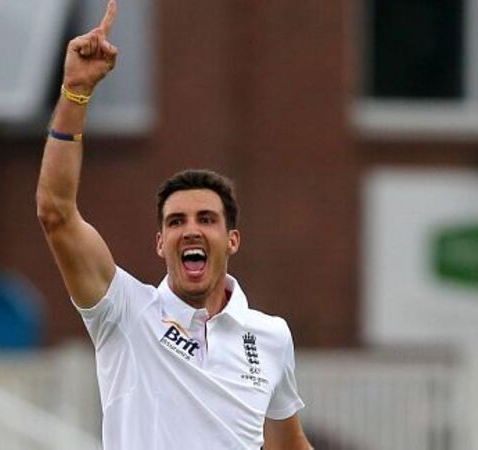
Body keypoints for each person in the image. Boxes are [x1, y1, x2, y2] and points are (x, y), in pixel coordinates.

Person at [35, 1, 314, 449]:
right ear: (160, 242)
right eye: (176, 221)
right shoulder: (125, 313)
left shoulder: (271, 336)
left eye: (207, 219)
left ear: (233, 240)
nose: (191, 230)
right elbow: (56, 212)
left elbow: (289, 444)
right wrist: (75, 92)